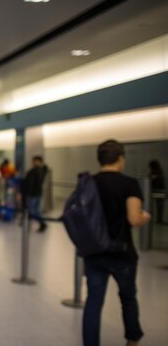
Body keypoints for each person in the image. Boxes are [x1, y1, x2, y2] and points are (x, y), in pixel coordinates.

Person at [83, 140, 150, 346]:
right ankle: (132, 340)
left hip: (95, 252)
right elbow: (134, 218)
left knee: (94, 302)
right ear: (120, 159)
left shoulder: (89, 183)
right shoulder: (129, 183)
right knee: (128, 298)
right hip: (122, 254)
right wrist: (145, 216)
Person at [21, 156, 49, 232]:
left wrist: (26, 193)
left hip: (34, 194)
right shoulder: (39, 171)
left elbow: (29, 183)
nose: (34, 163)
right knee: (35, 210)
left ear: (40, 162)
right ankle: (40, 223)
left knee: (33, 211)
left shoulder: (37, 171)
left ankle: (42, 223)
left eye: (36, 161)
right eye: (34, 161)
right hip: (36, 193)